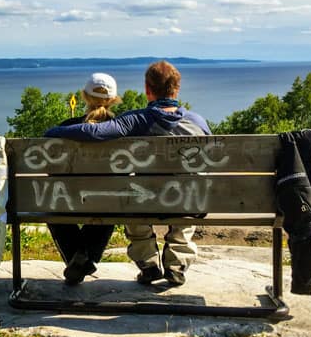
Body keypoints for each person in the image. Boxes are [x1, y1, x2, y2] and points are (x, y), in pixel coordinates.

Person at [45, 60, 210, 286]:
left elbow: (94, 131)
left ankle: (149, 263)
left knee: (131, 199)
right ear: (177, 89)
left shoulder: (137, 120)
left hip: (145, 200)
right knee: (188, 193)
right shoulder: (197, 122)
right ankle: (177, 263)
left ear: (147, 89)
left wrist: (54, 131)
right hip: (189, 201)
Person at [48, 72, 122, 285]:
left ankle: (77, 256)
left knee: (51, 205)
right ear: (114, 99)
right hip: (107, 202)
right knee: (113, 202)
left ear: (84, 97)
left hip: (69, 202)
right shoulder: (123, 129)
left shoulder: (65, 128)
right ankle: (84, 256)